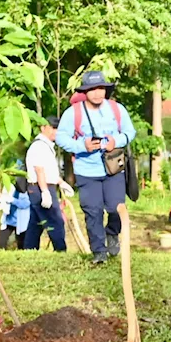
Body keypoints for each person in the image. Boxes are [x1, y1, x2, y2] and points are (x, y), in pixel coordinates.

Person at [56, 71, 135, 264]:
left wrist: (116, 141)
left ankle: (112, 233)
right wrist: (82, 146)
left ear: (106, 90)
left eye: (100, 88)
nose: (97, 93)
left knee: (117, 208)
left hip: (113, 168)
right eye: (92, 89)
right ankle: (99, 252)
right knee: (93, 212)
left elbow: (129, 132)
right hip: (86, 171)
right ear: (85, 92)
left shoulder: (117, 109)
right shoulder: (73, 113)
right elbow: (61, 138)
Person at [24, 116, 67, 252]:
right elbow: (39, 169)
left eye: (57, 129)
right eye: (53, 128)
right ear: (43, 128)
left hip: (42, 186)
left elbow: (49, 171)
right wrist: (45, 192)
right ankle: (61, 251)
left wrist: (61, 183)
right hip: (40, 187)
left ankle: (29, 251)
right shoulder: (39, 145)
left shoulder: (46, 146)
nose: (55, 131)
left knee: (36, 223)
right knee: (55, 221)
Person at [0, 176, 30, 250]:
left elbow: (25, 204)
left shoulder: (25, 192)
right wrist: (0, 198)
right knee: (1, 242)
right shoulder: (10, 188)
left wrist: (12, 200)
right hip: (9, 220)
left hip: (21, 222)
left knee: (22, 244)